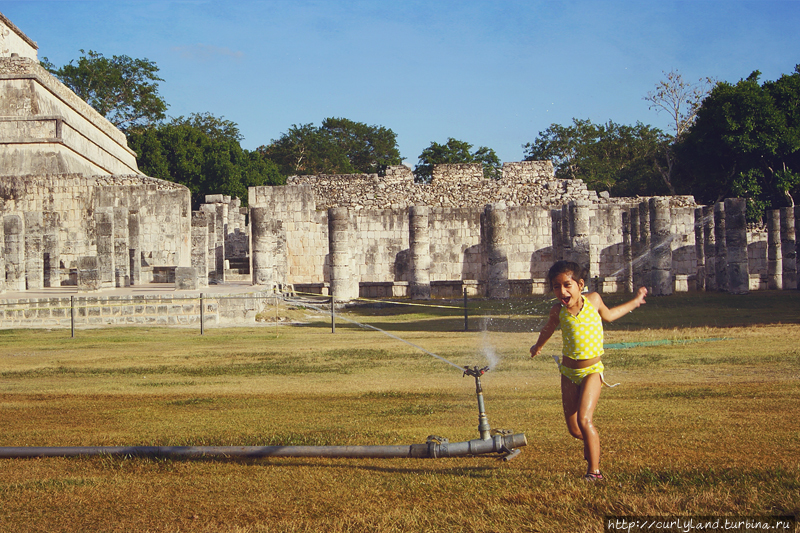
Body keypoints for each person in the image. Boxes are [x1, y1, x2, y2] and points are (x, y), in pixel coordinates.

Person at [530, 260, 647, 481]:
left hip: (592, 371)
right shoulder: (557, 311)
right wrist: (538, 346)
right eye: (556, 287)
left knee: (585, 420)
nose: (562, 291)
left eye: (567, 285)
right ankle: (592, 444)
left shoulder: (593, 300)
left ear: (580, 284)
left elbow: (610, 315)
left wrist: (635, 301)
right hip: (568, 373)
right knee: (575, 430)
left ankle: (594, 472)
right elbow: (547, 329)